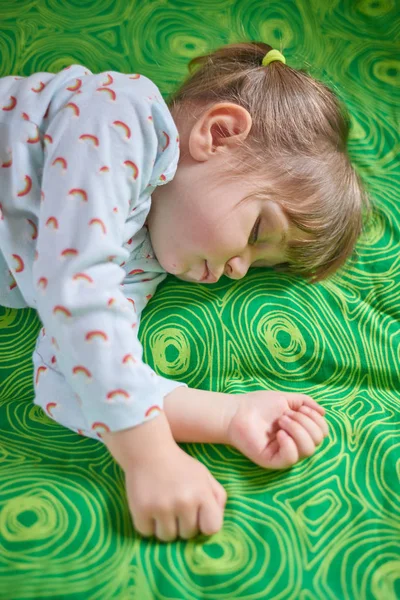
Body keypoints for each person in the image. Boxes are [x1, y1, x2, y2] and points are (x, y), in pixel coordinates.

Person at [0, 42, 368, 542]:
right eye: (258, 233)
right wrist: (149, 456)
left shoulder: (141, 258)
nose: (239, 270)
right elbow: (76, 288)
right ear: (218, 134)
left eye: (260, 267)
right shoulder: (123, 115)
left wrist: (227, 415)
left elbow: (68, 373)